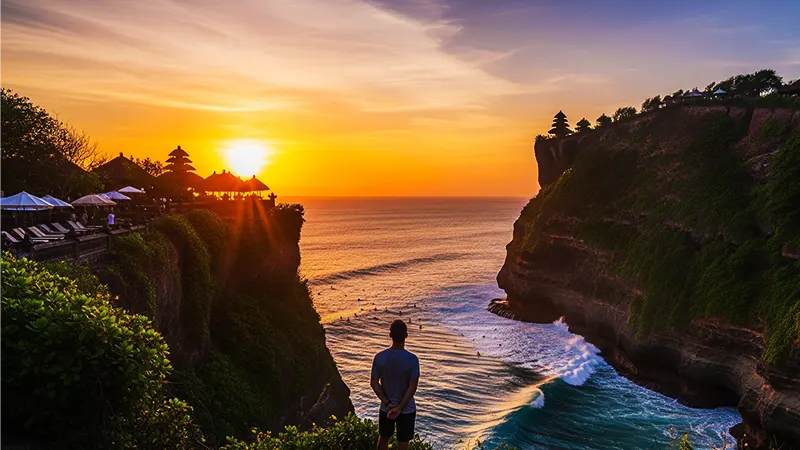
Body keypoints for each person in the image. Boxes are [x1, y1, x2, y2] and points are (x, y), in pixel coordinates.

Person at [371, 320, 420, 450]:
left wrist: (387, 403)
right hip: (407, 409)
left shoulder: (379, 357)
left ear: (390, 335)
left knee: (384, 438)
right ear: (406, 335)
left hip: (386, 407)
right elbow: (412, 387)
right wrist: (400, 407)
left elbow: (374, 383)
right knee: (403, 443)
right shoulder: (412, 359)